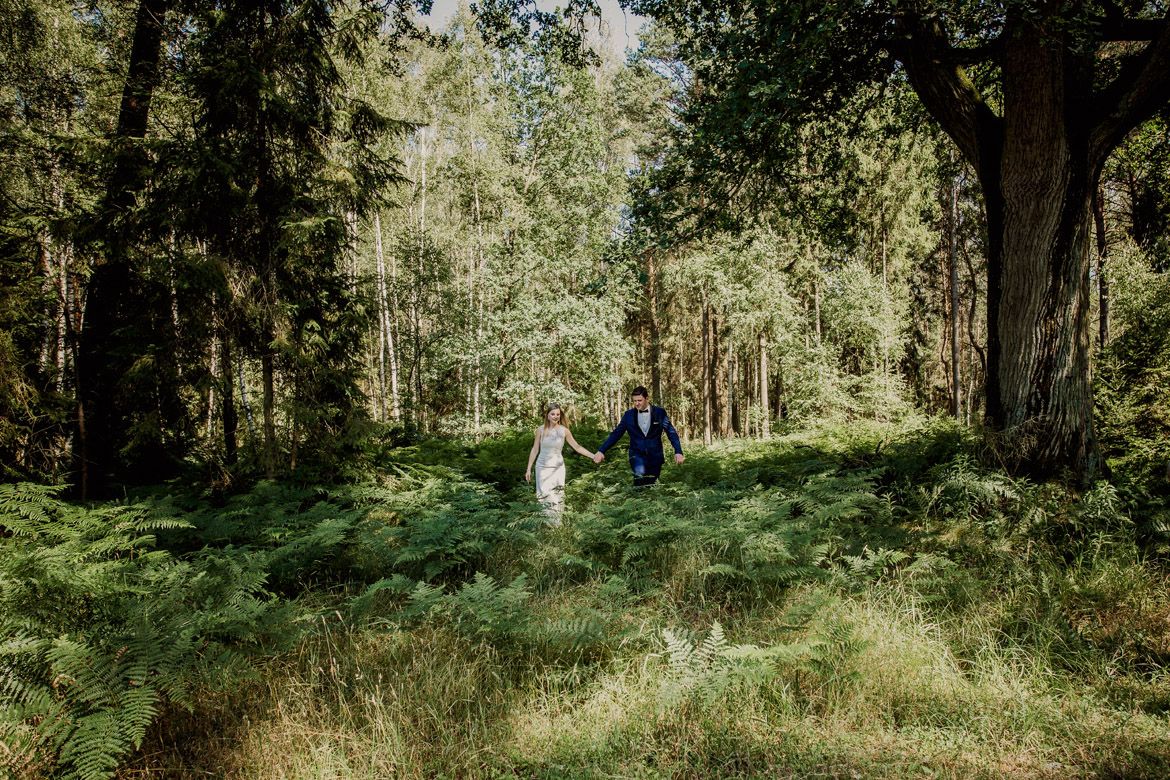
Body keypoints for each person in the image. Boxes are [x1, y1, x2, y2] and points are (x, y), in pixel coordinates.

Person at [593, 386, 684, 486]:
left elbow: (671, 432)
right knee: (639, 479)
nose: (637, 403)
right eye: (634, 401)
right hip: (636, 455)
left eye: (639, 400)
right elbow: (616, 434)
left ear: (647, 398)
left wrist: (678, 451)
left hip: (655, 456)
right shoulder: (628, 415)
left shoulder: (659, 413)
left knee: (652, 484)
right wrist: (602, 450)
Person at [525, 403, 596, 523]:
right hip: (542, 467)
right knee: (543, 495)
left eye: (558, 414)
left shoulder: (564, 431)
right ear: (547, 415)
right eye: (552, 414)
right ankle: (546, 524)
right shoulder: (540, 430)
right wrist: (528, 468)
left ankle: (557, 525)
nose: (555, 416)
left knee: (557, 495)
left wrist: (593, 456)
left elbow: (577, 447)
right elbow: (535, 449)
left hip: (557, 468)